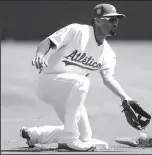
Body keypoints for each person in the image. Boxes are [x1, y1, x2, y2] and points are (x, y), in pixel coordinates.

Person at [20, 3, 138, 151]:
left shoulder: (108, 53)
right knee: (82, 81)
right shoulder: (77, 31)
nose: (115, 23)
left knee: (85, 136)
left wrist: (125, 97)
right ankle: (69, 139)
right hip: (49, 82)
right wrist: (39, 55)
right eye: (111, 19)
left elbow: (108, 78)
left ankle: (36, 135)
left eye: (117, 20)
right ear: (97, 20)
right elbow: (48, 42)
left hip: (70, 92)